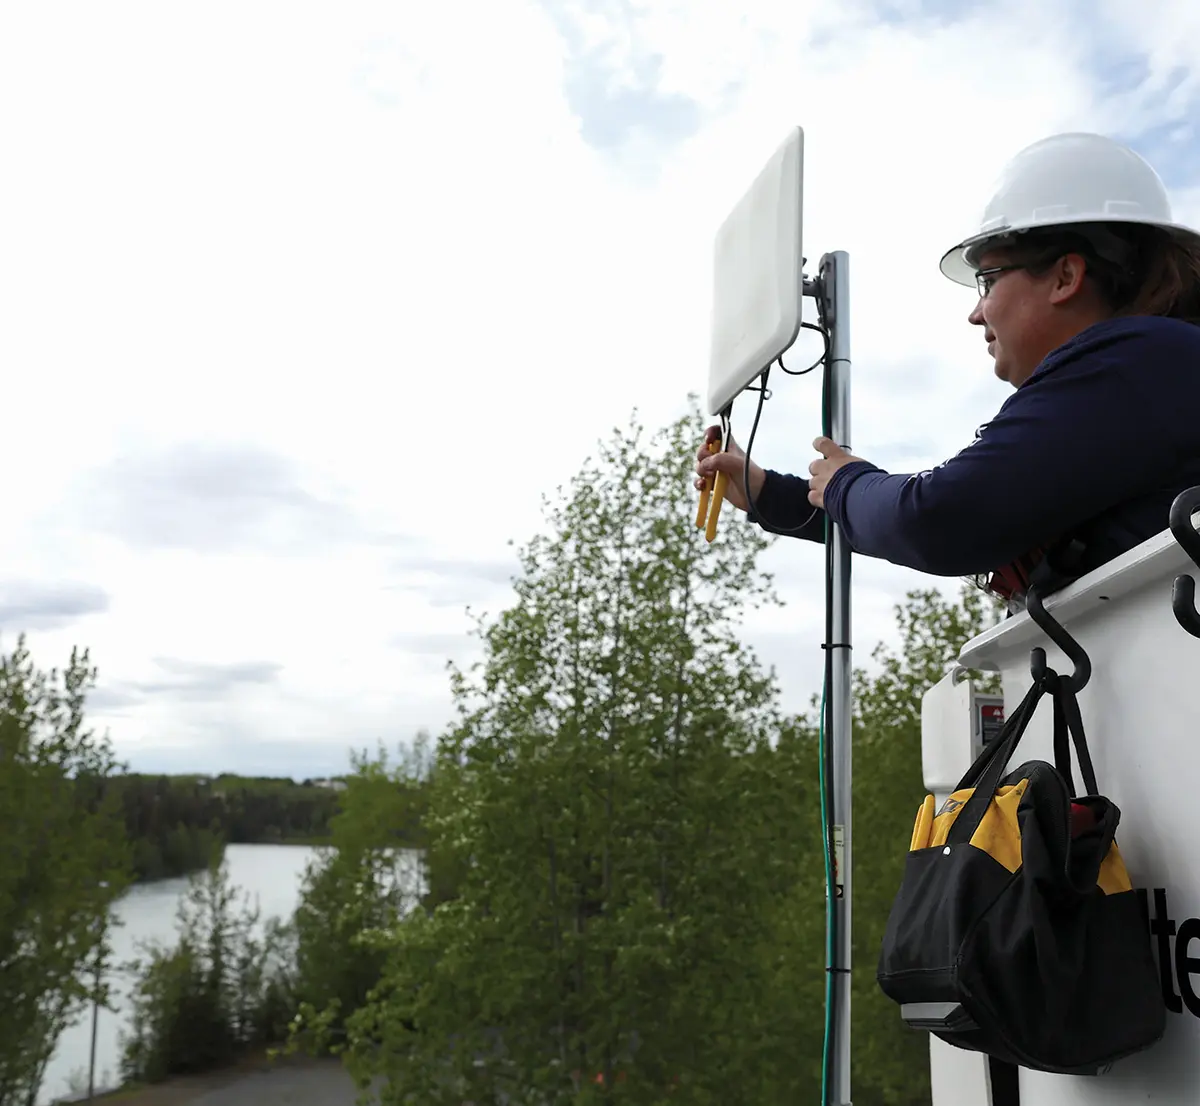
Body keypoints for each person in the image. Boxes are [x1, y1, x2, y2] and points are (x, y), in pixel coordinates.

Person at [694, 132, 1200, 607]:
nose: (976, 312)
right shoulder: (1145, 378)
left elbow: (940, 517)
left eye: (988, 281)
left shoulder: (1146, 361)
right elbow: (953, 514)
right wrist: (767, 493)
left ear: (1066, 276)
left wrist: (847, 483)